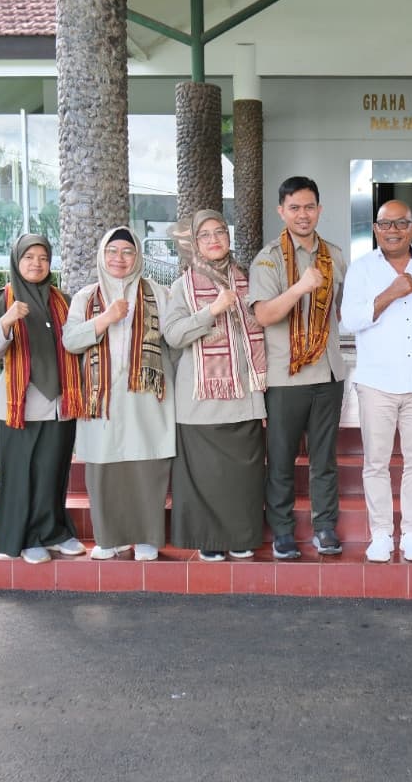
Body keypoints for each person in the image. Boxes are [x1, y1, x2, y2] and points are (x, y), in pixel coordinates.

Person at [340, 200, 412, 563]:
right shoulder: (362, 269)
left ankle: (411, 533)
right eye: (385, 224)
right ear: (376, 229)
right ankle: (380, 534)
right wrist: (391, 292)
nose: (393, 230)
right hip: (376, 382)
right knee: (376, 463)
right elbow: (349, 321)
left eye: (401, 223)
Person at [248, 176, 347, 560]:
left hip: (328, 373)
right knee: (281, 459)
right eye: (294, 208)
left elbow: (341, 311)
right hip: (285, 377)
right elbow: (263, 315)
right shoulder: (269, 258)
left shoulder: (335, 255)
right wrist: (300, 288)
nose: (302, 214)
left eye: (309, 207)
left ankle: (325, 528)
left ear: (319, 210)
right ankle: (283, 532)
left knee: (325, 459)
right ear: (282, 211)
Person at [62, 226, 174, 562]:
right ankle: (109, 539)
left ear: (138, 256)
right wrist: (105, 319)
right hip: (102, 398)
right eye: (112, 251)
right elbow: (70, 341)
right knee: (104, 469)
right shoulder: (86, 297)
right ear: (102, 255)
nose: (119, 258)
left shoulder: (158, 293)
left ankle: (147, 538)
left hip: (147, 396)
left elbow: (174, 338)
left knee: (147, 467)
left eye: (127, 251)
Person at [0, 234, 86, 564]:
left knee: (53, 473)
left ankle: (54, 532)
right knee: (22, 476)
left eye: (43, 257)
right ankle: (25, 539)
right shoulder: (2, 300)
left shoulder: (64, 301)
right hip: (20, 407)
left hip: (60, 406)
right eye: (29, 257)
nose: (36, 263)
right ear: (16, 261)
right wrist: (7, 322)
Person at [163, 209, 267, 562]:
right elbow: (173, 335)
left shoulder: (249, 280)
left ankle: (240, 537)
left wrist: (260, 399)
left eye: (219, 231)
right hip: (200, 402)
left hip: (244, 398)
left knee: (242, 477)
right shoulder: (183, 286)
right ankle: (208, 538)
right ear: (195, 243)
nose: (213, 239)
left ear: (228, 235)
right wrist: (211, 311)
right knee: (205, 476)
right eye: (204, 235)